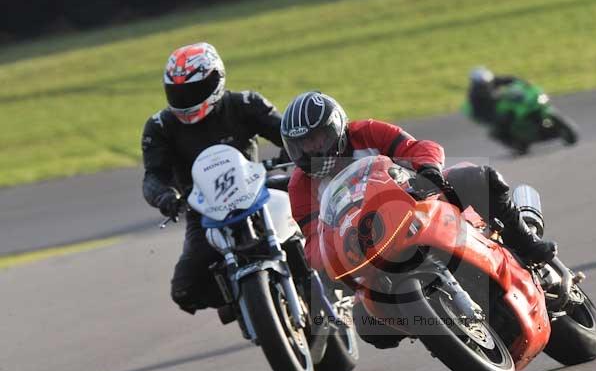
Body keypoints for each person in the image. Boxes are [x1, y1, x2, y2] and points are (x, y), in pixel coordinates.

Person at [281, 91, 557, 348]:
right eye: (301, 145)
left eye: (317, 140)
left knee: (476, 176)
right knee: (367, 323)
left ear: (337, 128)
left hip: (417, 205)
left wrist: (428, 169)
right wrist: (327, 263)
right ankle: (432, 324)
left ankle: (525, 241)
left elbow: (420, 147)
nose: (311, 151)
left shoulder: (366, 132)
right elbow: (313, 239)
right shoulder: (299, 186)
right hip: (367, 247)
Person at [141, 42, 285, 319]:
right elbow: (153, 176)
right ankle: (239, 296)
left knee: (314, 213)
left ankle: (330, 271)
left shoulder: (244, 104)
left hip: (258, 191)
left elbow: (287, 133)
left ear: (217, 80)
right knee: (184, 290)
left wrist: (292, 153)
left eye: (193, 90)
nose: (186, 99)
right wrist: (165, 196)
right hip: (204, 210)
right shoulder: (160, 126)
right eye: (178, 92)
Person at [466, 66, 528, 149]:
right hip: (484, 112)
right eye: (483, 83)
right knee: (503, 121)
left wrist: (519, 81)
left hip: (495, 104)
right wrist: (503, 95)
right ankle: (514, 142)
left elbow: (506, 79)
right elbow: (491, 98)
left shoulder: (490, 80)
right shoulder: (475, 92)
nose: (487, 83)